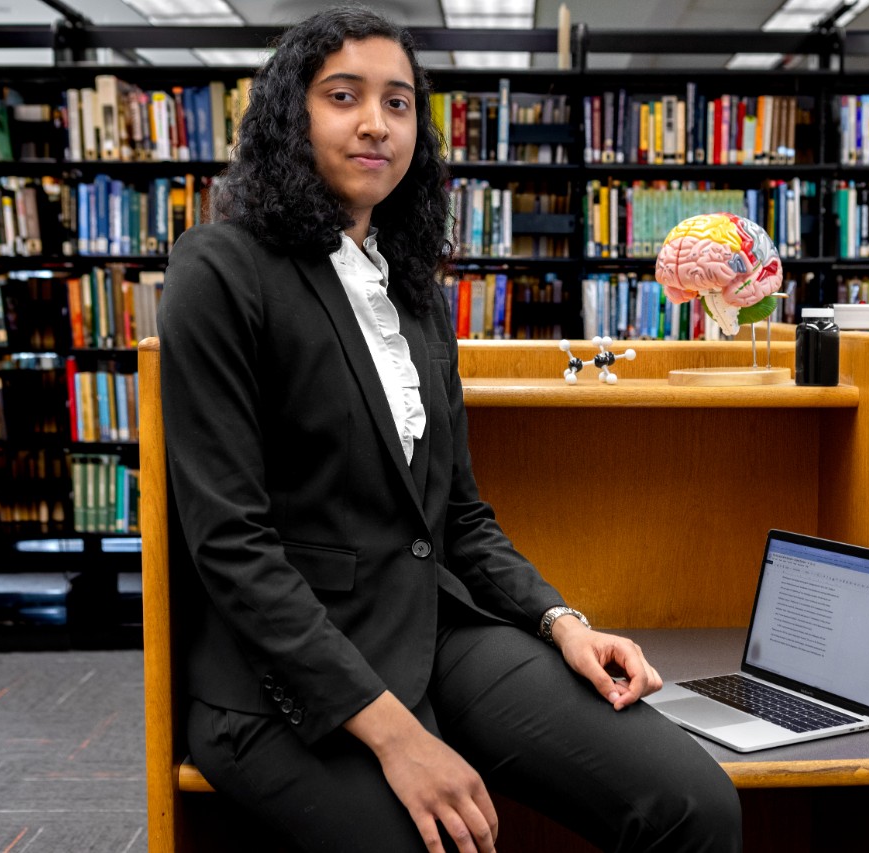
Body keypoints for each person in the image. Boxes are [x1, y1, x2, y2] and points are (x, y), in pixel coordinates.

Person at [157, 6, 742, 853]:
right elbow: (231, 546)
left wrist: (562, 622)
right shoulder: (218, 269)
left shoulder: (414, 292)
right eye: (343, 96)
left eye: (398, 104)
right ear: (292, 116)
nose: (374, 123)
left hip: (433, 630)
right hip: (280, 677)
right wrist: (398, 736)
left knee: (695, 803)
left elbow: (459, 515)